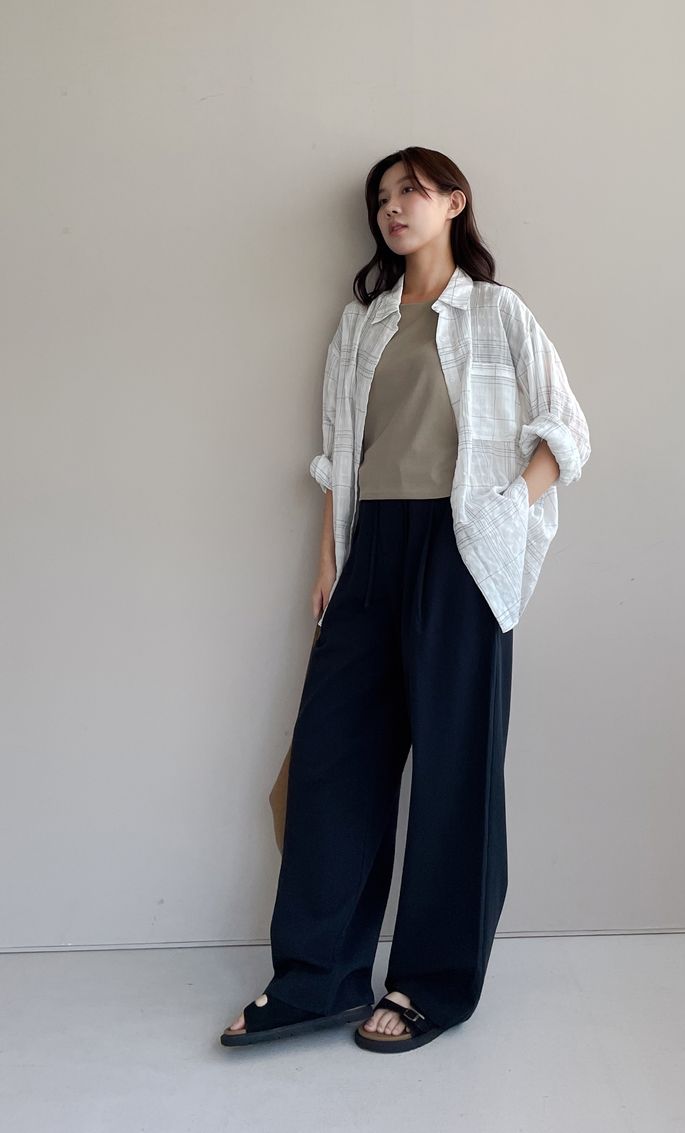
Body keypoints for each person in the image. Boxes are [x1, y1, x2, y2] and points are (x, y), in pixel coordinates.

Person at [221, 146, 591, 1053]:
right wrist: (328, 560)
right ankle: (316, 979)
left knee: (457, 774)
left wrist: (508, 509)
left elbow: (567, 429)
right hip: (371, 549)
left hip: (462, 548)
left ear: (454, 202)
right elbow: (337, 454)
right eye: (382, 197)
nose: (393, 208)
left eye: (412, 192)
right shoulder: (361, 324)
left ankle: (433, 985)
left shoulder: (497, 311)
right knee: (333, 761)